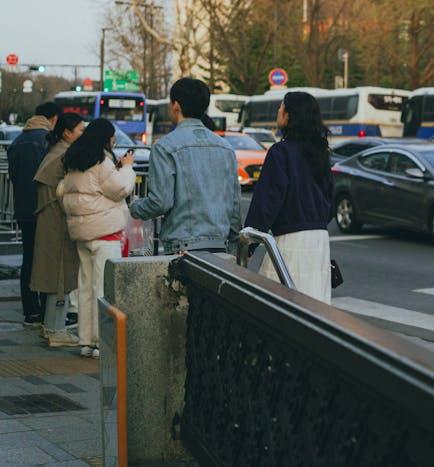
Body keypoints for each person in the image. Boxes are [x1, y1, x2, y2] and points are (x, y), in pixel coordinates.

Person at [130, 78, 240, 253]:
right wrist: (234, 245)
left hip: (182, 248)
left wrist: (134, 207)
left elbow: (160, 203)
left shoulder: (164, 147)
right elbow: (234, 204)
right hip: (220, 246)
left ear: (176, 106)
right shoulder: (225, 147)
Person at [244, 91, 335, 302]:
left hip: (290, 240)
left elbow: (266, 203)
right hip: (320, 240)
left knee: (280, 303)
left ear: (289, 115)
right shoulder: (321, 152)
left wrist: (249, 244)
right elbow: (330, 198)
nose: (278, 111)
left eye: (281, 107)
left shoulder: (280, 152)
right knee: (315, 304)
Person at [60, 119, 136, 358]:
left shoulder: (74, 159)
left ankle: (86, 341)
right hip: (105, 232)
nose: (114, 141)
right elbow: (120, 189)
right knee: (104, 289)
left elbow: (73, 190)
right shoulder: (101, 161)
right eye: (112, 137)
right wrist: (127, 168)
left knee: (85, 287)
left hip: (81, 233)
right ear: (106, 137)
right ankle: (102, 343)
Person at [31, 112, 85, 347]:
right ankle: (56, 329)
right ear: (67, 132)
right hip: (58, 222)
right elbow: (65, 192)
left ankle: (50, 325)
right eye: (80, 130)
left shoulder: (54, 152)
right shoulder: (65, 156)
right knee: (61, 274)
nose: (83, 134)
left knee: (53, 273)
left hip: (48, 219)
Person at [7, 101, 60, 326]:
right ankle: (46, 308)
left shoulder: (18, 141)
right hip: (44, 208)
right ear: (53, 119)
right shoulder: (47, 141)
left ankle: (30, 310)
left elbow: (13, 175)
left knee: (28, 258)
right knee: (46, 259)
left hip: (23, 209)